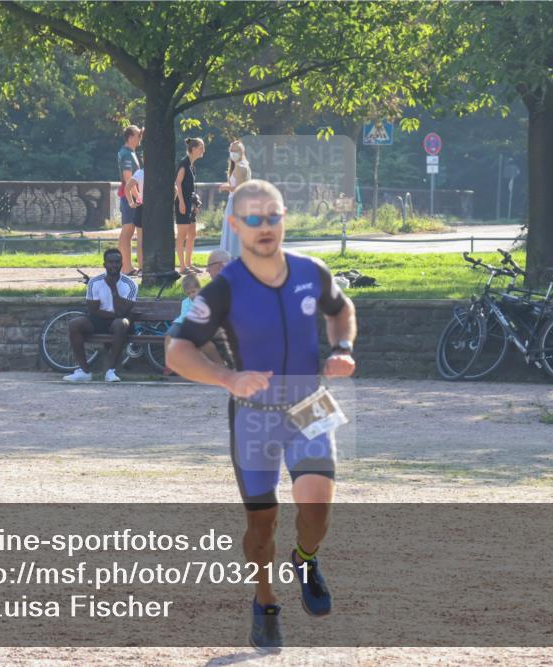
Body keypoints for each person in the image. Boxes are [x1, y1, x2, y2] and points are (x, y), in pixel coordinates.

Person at [166, 180, 357, 652]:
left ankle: (306, 559)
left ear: (284, 218)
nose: (265, 226)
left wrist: (343, 348)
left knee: (318, 507)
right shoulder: (224, 289)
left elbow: (342, 309)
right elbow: (177, 350)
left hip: (311, 402)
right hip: (254, 413)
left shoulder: (313, 271)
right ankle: (265, 599)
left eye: (273, 216)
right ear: (235, 226)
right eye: (253, 218)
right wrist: (227, 379)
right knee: (262, 523)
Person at [63, 248, 139, 383]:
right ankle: (85, 371)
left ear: (122, 263)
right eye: (110, 262)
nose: (114, 265)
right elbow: (93, 311)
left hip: (122, 322)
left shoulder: (130, 284)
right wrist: (115, 314)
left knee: (119, 324)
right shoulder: (94, 282)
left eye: (117, 262)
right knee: (75, 324)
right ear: (104, 264)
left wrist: (113, 289)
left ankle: (111, 371)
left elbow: (123, 313)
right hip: (100, 319)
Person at [174, 138, 205, 275]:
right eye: (201, 148)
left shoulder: (192, 166)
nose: (203, 151)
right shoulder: (184, 164)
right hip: (183, 203)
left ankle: (189, 263)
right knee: (182, 235)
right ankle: (182, 267)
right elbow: (178, 183)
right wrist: (181, 202)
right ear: (193, 149)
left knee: (192, 234)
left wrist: (195, 203)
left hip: (190, 204)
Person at [219, 140, 251, 258]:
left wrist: (226, 187)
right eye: (231, 150)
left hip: (235, 202)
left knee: (232, 232)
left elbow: (237, 188)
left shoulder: (239, 167)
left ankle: (231, 257)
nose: (232, 153)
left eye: (235, 150)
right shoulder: (245, 164)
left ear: (241, 151)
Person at [117, 125, 142, 276]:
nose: (140, 139)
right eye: (138, 135)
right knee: (128, 230)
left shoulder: (129, 153)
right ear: (131, 136)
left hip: (130, 196)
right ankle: (126, 267)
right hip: (129, 197)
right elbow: (128, 179)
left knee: (128, 230)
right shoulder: (127, 154)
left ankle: (125, 266)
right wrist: (137, 196)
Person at [125, 164, 145, 273]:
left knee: (141, 240)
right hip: (156, 209)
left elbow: (127, 188)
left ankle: (142, 268)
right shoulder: (160, 172)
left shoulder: (140, 172)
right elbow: (174, 189)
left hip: (142, 207)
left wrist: (131, 203)